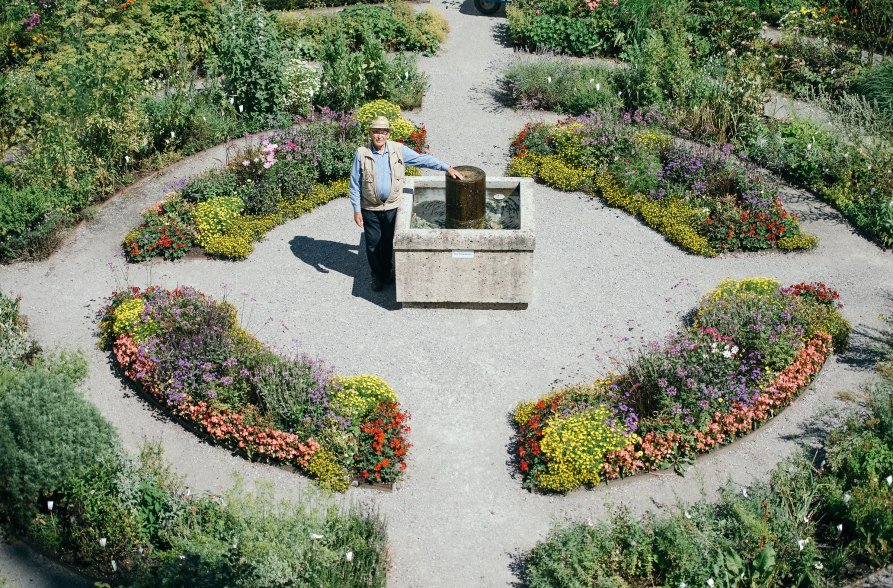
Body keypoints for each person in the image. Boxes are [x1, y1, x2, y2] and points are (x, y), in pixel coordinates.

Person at [349, 116, 463, 292]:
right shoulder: (361, 153)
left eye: (383, 132)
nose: (379, 136)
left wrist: (447, 167)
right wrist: (357, 210)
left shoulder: (397, 150)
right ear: (371, 133)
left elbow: (422, 159)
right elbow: (355, 183)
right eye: (376, 132)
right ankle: (376, 275)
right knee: (372, 244)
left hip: (392, 207)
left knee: (387, 242)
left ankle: (387, 272)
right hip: (370, 208)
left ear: (388, 134)